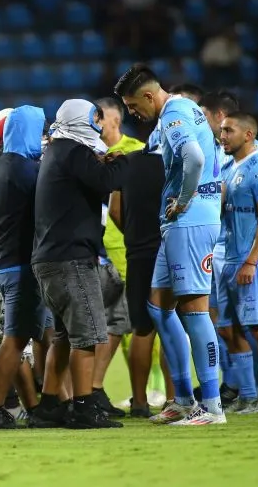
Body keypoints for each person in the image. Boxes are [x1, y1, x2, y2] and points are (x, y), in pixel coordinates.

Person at [115, 63, 225, 425]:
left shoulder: (175, 113)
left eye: (133, 106)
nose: (133, 113)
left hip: (190, 221)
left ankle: (212, 406)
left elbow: (194, 157)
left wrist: (184, 198)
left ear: (149, 95)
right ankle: (183, 399)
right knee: (159, 307)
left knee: (194, 309)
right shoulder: (177, 111)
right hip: (178, 224)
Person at [31, 99, 127, 430]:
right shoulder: (73, 151)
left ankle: (49, 405)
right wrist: (123, 160)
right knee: (86, 337)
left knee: (62, 337)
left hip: (50, 260)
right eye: (93, 118)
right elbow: (106, 182)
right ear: (78, 120)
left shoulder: (56, 152)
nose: (98, 125)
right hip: (71, 260)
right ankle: (83, 407)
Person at [0, 106, 50, 429]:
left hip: (5, 261)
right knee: (15, 339)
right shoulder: (24, 168)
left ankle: (48, 403)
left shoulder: (0, 165)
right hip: (20, 264)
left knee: (38, 335)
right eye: (40, 129)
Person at [216, 113, 258, 413]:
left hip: (253, 261)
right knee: (228, 330)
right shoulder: (228, 167)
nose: (222, 136)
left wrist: (251, 262)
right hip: (229, 259)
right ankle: (247, 396)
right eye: (221, 130)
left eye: (228, 130)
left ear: (248, 135)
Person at [108, 130, 173, 418]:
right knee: (171, 327)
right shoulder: (176, 162)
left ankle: (139, 402)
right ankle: (175, 399)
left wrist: (133, 236)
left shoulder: (128, 162)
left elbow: (114, 210)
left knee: (141, 329)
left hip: (137, 254)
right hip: (169, 252)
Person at [94, 97, 142, 416]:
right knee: (105, 325)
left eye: (101, 117)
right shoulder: (88, 154)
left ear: (116, 119)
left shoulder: (137, 151)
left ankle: (144, 393)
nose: (96, 123)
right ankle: (88, 391)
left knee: (125, 325)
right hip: (95, 253)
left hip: (127, 252)